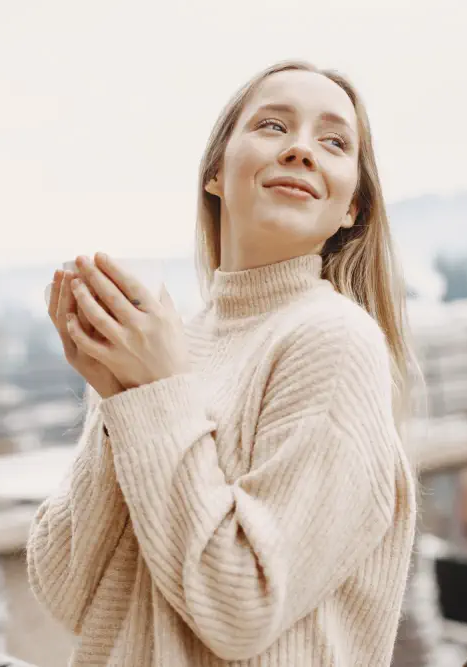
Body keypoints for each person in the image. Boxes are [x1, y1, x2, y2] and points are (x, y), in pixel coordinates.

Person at [26, 60, 419, 666]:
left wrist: (154, 393)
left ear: (353, 209)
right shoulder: (170, 345)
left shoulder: (334, 342)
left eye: (334, 141)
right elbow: (65, 591)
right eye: (272, 125)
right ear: (215, 171)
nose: (301, 150)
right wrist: (117, 398)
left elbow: (241, 608)